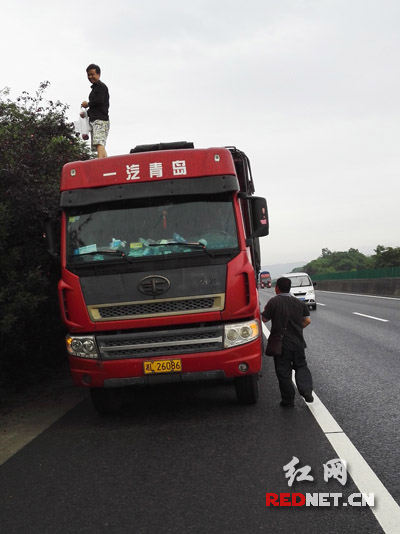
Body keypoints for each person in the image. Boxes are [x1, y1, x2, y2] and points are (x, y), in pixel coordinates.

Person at [262, 277, 314, 407]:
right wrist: (297, 329)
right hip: (298, 343)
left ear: (277, 288)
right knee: (301, 366)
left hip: (281, 345)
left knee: (283, 372)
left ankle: (288, 400)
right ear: (289, 288)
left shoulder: (273, 302)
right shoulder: (299, 303)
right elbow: (307, 321)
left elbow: (264, 319)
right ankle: (306, 390)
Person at [81, 64, 110, 158]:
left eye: (92, 74)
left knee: (99, 143)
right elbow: (96, 107)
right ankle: (105, 162)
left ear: (98, 74)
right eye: (88, 75)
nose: (90, 77)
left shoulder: (101, 87)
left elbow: (99, 101)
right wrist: (86, 113)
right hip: (94, 120)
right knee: (98, 144)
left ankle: (100, 163)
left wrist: (88, 104)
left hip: (100, 120)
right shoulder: (94, 89)